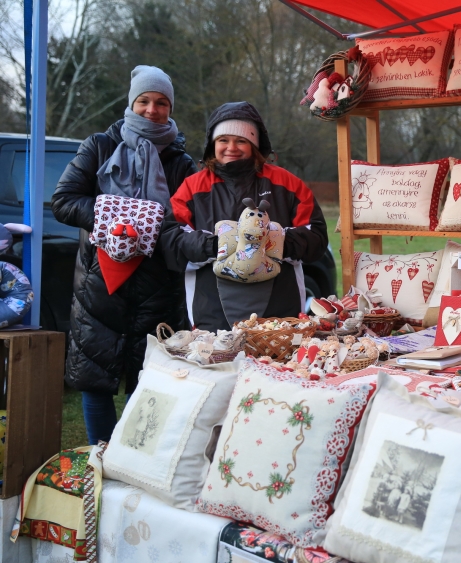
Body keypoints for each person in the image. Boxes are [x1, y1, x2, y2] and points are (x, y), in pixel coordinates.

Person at [52, 66, 197, 445]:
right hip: (100, 283)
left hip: (156, 287)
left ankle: (131, 460)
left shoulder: (181, 162)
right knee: (95, 382)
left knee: (145, 382)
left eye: (161, 102)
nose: (152, 109)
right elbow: (64, 201)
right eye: (145, 100)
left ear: (170, 108)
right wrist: (118, 219)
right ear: (131, 103)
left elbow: (189, 220)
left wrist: (154, 228)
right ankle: (100, 460)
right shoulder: (99, 145)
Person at [162, 102, 328, 330]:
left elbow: (316, 236)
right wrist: (217, 245)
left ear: (254, 144)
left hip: (279, 316)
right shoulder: (193, 187)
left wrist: (274, 242)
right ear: (212, 145)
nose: (232, 147)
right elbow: (171, 240)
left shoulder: (287, 183)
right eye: (223, 140)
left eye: (241, 140)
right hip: (211, 314)